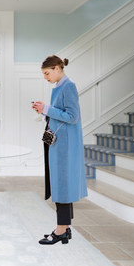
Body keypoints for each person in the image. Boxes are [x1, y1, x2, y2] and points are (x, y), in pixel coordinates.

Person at [32, 55, 88, 245]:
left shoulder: (68, 86)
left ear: (57, 68)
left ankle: (60, 230)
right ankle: (66, 227)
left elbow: (73, 116)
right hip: (59, 142)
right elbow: (60, 114)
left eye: (47, 73)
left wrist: (46, 109)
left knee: (62, 185)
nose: (46, 77)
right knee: (60, 183)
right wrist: (44, 111)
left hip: (65, 144)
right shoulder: (60, 86)